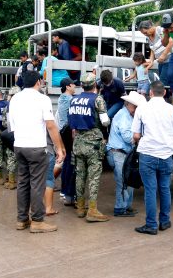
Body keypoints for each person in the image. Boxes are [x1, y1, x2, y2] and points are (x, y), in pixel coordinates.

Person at [9, 71, 65, 233]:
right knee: (37, 184)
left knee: (23, 183)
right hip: (36, 147)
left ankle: (22, 219)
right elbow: (51, 125)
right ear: (38, 82)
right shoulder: (42, 99)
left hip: (19, 145)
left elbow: (11, 125)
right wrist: (59, 148)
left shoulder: (15, 99)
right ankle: (37, 221)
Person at [132, 80, 173, 235]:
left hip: (147, 155)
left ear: (150, 93)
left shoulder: (142, 109)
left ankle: (151, 225)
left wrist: (137, 139)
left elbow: (136, 135)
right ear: (164, 93)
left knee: (150, 190)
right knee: (164, 189)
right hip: (166, 156)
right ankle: (164, 221)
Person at [69, 73, 110, 222]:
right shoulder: (97, 99)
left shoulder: (74, 99)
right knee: (93, 176)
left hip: (78, 142)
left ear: (82, 85)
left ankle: (80, 207)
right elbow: (105, 122)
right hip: (93, 143)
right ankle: (92, 210)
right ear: (94, 85)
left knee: (80, 175)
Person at [107, 91, 145, 216]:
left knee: (128, 179)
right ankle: (120, 208)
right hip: (119, 152)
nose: (136, 110)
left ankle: (125, 206)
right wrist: (140, 137)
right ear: (128, 104)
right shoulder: (124, 116)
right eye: (135, 107)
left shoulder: (126, 114)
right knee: (124, 181)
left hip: (121, 152)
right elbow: (127, 137)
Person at [56, 77, 76, 205]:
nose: (75, 87)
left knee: (67, 161)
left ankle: (64, 190)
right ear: (68, 86)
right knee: (70, 163)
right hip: (68, 133)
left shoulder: (61, 98)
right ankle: (68, 191)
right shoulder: (69, 100)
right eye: (73, 85)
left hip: (63, 132)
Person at [139, 20, 173, 85]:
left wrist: (163, 55)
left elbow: (171, 42)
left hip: (169, 60)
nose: (145, 35)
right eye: (144, 34)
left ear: (151, 27)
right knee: (164, 82)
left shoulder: (160, 30)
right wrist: (151, 61)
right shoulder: (148, 38)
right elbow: (152, 49)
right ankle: (166, 95)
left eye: (146, 32)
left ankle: (161, 95)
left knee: (162, 82)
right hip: (160, 62)